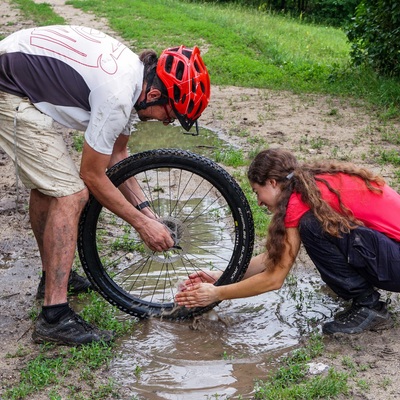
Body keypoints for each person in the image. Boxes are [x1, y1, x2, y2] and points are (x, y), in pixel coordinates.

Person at [0, 25, 210, 346]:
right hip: (9, 88)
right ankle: (54, 316)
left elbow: (118, 154)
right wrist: (143, 226)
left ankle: (54, 278)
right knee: (72, 194)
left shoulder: (133, 81)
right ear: (154, 94)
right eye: (170, 114)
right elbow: (93, 175)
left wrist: (148, 212)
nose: (168, 122)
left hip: (16, 74)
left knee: (49, 186)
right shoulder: (118, 95)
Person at [175, 148, 400, 335]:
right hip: (392, 254)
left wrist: (216, 294)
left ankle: (369, 306)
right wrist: (222, 278)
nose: (259, 202)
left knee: (313, 227)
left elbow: (274, 279)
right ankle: (364, 298)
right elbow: (273, 259)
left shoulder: (299, 201)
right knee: (315, 226)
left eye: (257, 192)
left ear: (273, 183)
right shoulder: (310, 185)